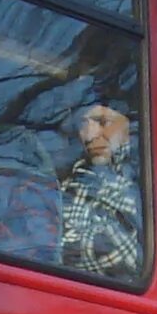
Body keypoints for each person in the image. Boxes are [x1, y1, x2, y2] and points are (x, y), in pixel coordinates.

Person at [58, 99, 145, 280]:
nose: (89, 135)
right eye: (83, 124)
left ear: (128, 126)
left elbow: (132, 259)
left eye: (103, 122)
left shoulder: (156, 174)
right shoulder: (77, 175)